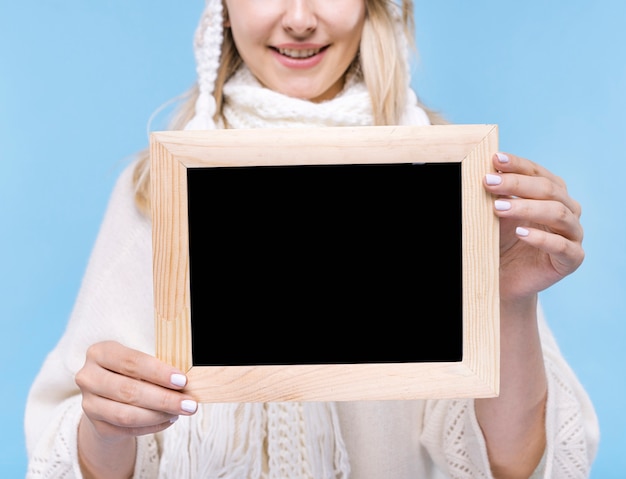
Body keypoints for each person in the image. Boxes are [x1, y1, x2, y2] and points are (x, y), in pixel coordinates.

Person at [24, 0, 600, 478]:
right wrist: (105, 422)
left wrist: (510, 300)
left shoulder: (451, 177)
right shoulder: (156, 190)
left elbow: (522, 466)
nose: (299, 19)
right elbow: (73, 455)